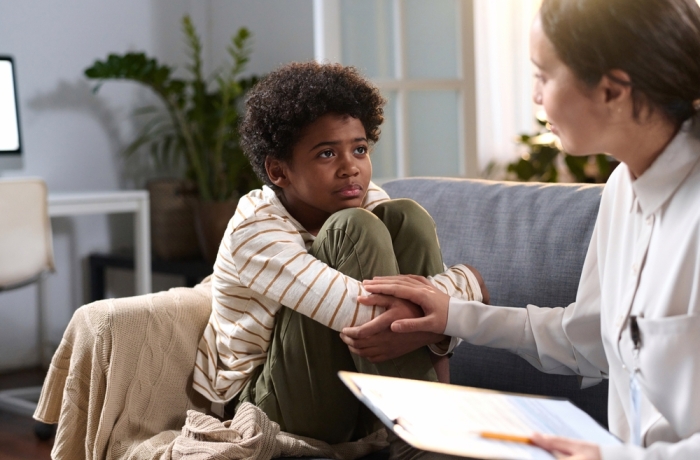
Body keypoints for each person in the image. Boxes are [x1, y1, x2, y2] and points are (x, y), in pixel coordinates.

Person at [341, 0, 700, 458]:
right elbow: (586, 338)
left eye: (543, 76)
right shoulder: (623, 191)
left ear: (613, 91)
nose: (535, 96)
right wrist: (451, 314)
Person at [191, 61, 485, 448]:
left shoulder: (367, 199)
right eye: (327, 154)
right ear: (278, 171)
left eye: (359, 149)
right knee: (354, 227)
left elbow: (424, 316)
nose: (351, 169)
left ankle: (426, 434)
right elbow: (370, 318)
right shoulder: (255, 229)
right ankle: (430, 440)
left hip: (355, 396)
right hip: (267, 404)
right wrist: (469, 287)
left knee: (406, 217)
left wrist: (449, 309)